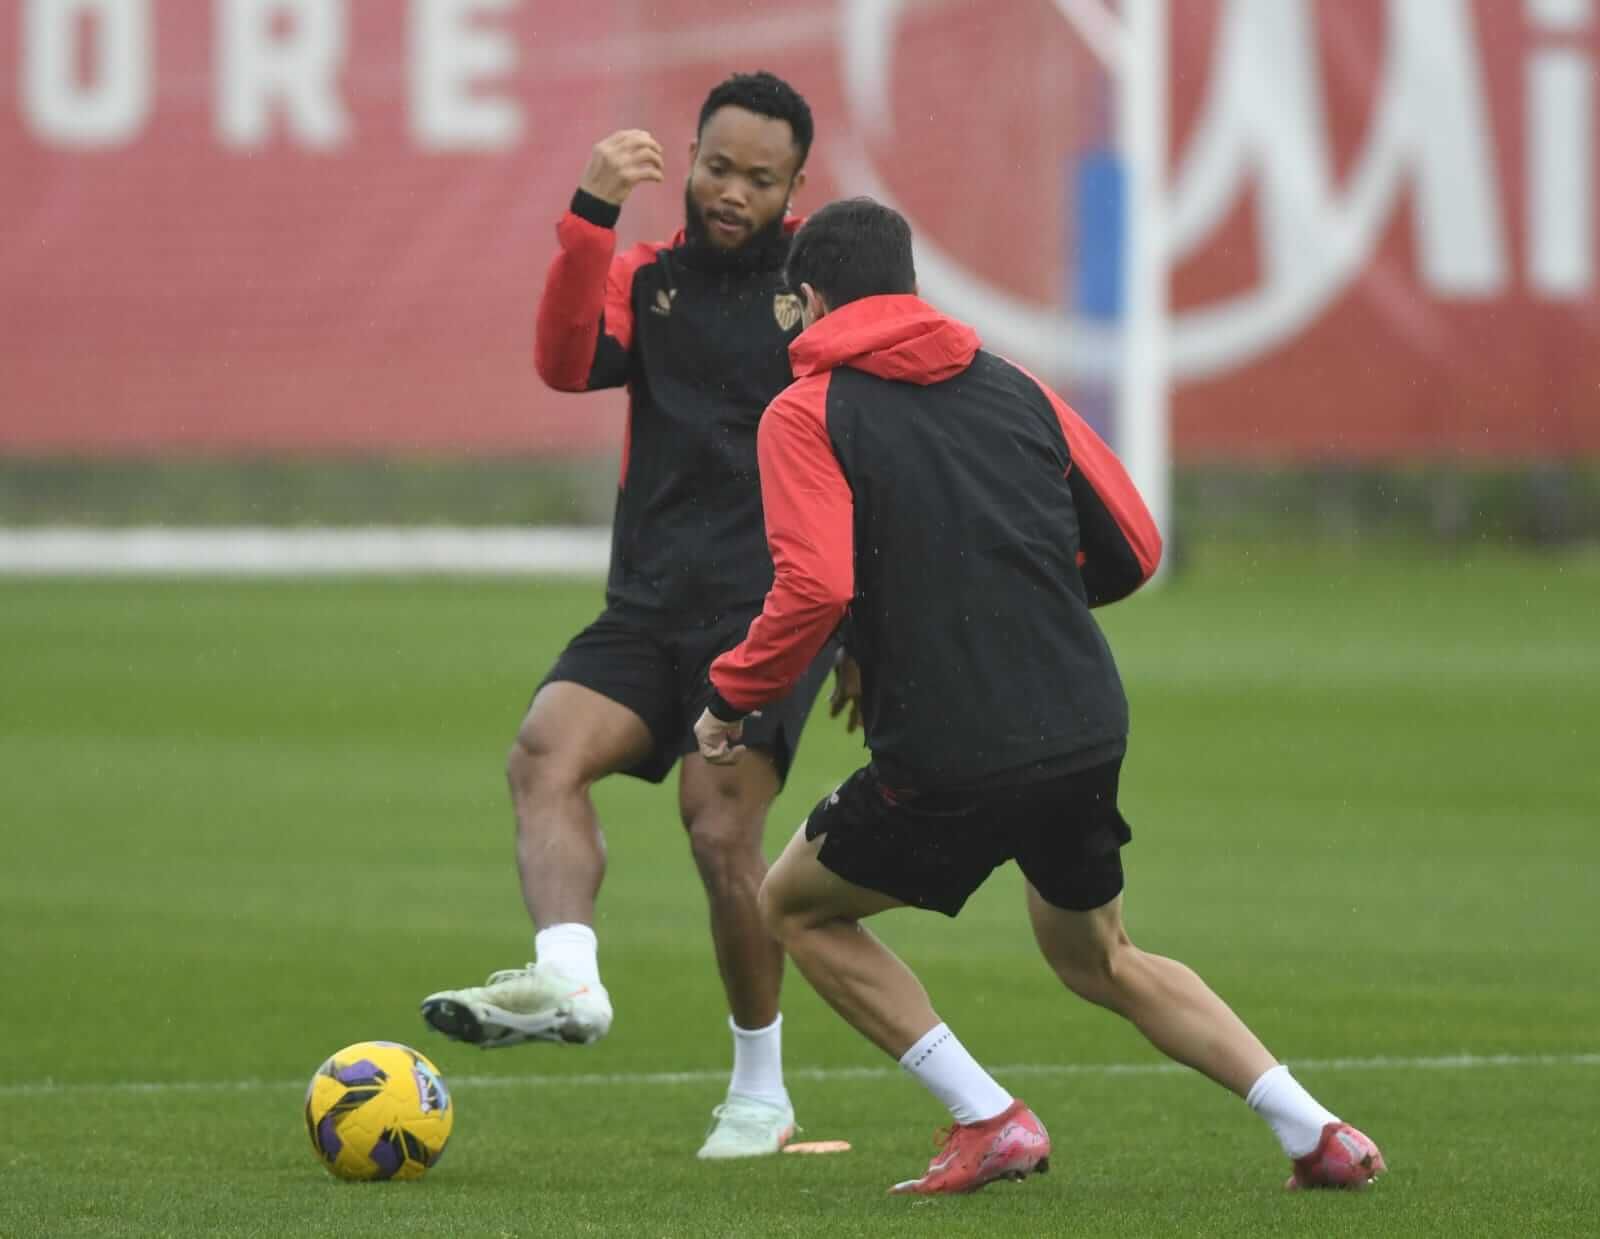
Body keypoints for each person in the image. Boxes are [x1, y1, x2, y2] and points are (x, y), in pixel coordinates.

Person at [693, 197, 1387, 1195]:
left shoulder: (802, 412)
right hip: (1079, 719)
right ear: (909, 288)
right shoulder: (1013, 384)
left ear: (806, 300)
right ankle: (1315, 1132)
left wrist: (729, 700)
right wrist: (1020, 611)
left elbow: (815, 585)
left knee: (793, 906)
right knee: (1098, 953)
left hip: (951, 746)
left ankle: (987, 1118)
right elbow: (1133, 548)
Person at [420, 72, 839, 1161]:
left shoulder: (821, 296)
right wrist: (588, 219)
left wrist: (868, 627)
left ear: (797, 185)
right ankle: (568, 980)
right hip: (648, 605)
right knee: (542, 753)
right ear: (688, 161)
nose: (729, 192)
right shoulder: (646, 279)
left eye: (758, 176)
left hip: (768, 617)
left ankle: (761, 1093)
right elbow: (563, 366)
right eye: (715, 167)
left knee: (716, 827)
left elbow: (872, 456)